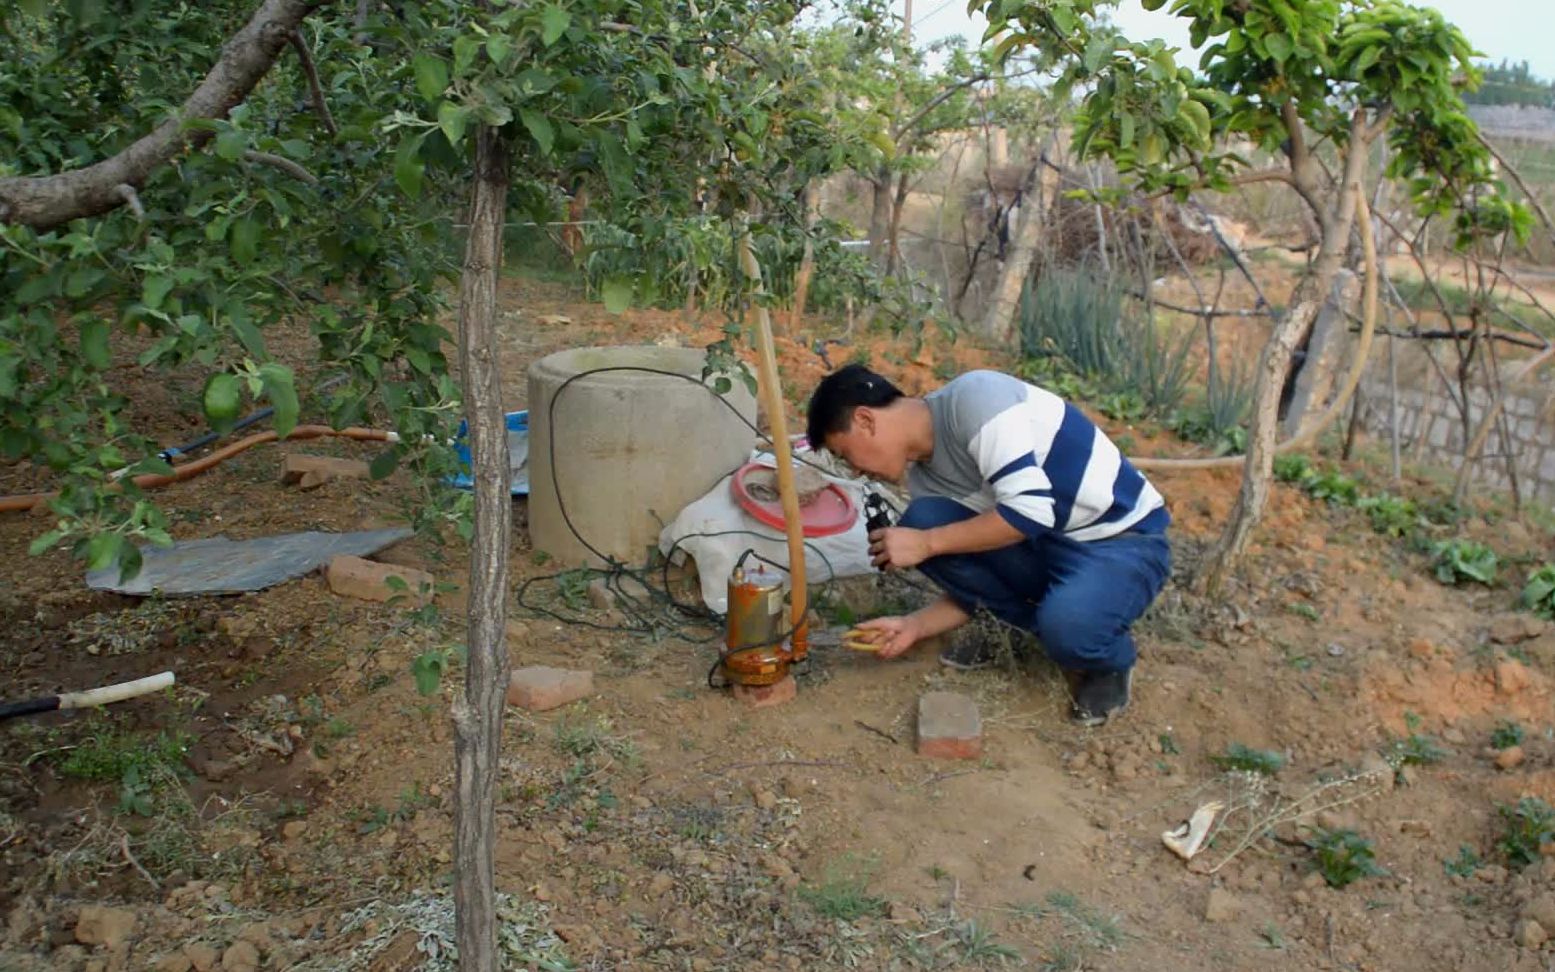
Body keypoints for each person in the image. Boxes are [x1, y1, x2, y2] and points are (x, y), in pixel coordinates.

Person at [805, 365, 1172, 726]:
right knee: (925, 518)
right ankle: (1025, 626)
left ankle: (1109, 661)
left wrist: (927, 544)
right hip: (1047, 545)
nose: (854, 471)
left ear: (866, 420)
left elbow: (1029, 512)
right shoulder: (926, 479)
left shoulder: (977, 399)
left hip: (1120, 541)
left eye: (844, 454)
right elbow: (979, 575)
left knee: (1068, 626)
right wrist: (914, 625)